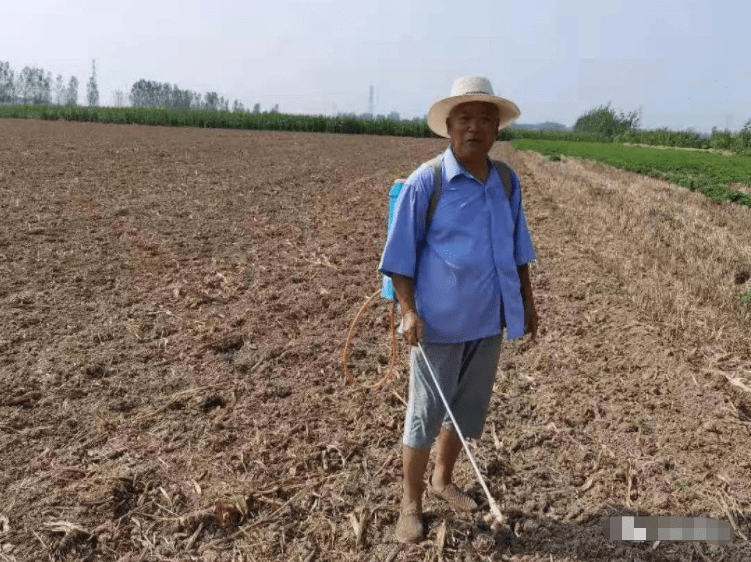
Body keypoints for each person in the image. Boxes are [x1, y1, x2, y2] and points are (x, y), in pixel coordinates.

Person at [378, 76, 539, 543]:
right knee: (425, 414)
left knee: (465, 412)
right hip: (438, 325)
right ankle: (410, 504)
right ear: (448, 127)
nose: (475, 128)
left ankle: (443, 480)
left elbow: (519, 247)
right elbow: (399, 259)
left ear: (497, 129)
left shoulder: (507, 182)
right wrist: (408, 312)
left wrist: (527, 302)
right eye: (464, 119)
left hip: (488, 320)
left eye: (485, 120)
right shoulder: (425, 182)